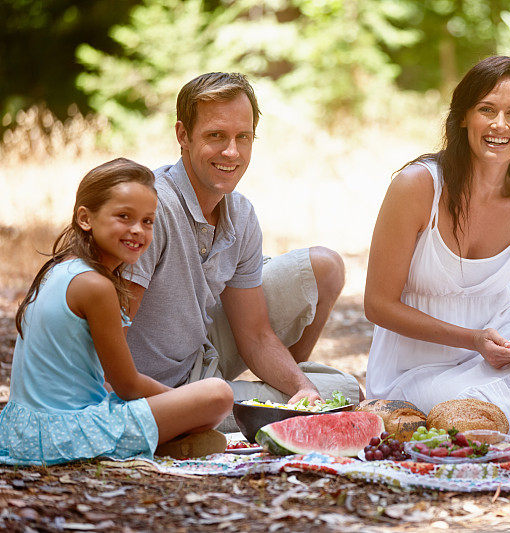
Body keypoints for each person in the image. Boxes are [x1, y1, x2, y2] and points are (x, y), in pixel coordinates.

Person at [364, 56, 510, 439]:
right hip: (418, 366)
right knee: (466, 413)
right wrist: (472, 340)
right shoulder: (418, 187)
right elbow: (377, 305)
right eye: (487, 110)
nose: (500, 125)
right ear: (464, 115)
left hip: (508, 346)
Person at [124, 73, 360, 430]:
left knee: (343, 391)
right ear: (183, 135)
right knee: (339, 394)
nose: (232, 151)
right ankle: (227, 404)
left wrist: (303, 390)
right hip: (145, 392)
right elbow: (112, 326)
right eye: (216, 135)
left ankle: (277, 389)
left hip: (200, 360)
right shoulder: (153, 208)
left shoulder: (241, 213)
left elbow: (255, 335)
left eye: (243, 137)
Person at [0, 159, 233, 465]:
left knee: (195, 399)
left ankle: (168, 440)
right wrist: (183, 405)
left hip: (24, 431)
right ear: (86, 218)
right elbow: (127, 385)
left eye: (148, 221)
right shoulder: (95, 286)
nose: (138, 231)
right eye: (124, 217)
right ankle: (170, 438)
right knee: (217, 394)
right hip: (64, 434)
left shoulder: (61, 269)